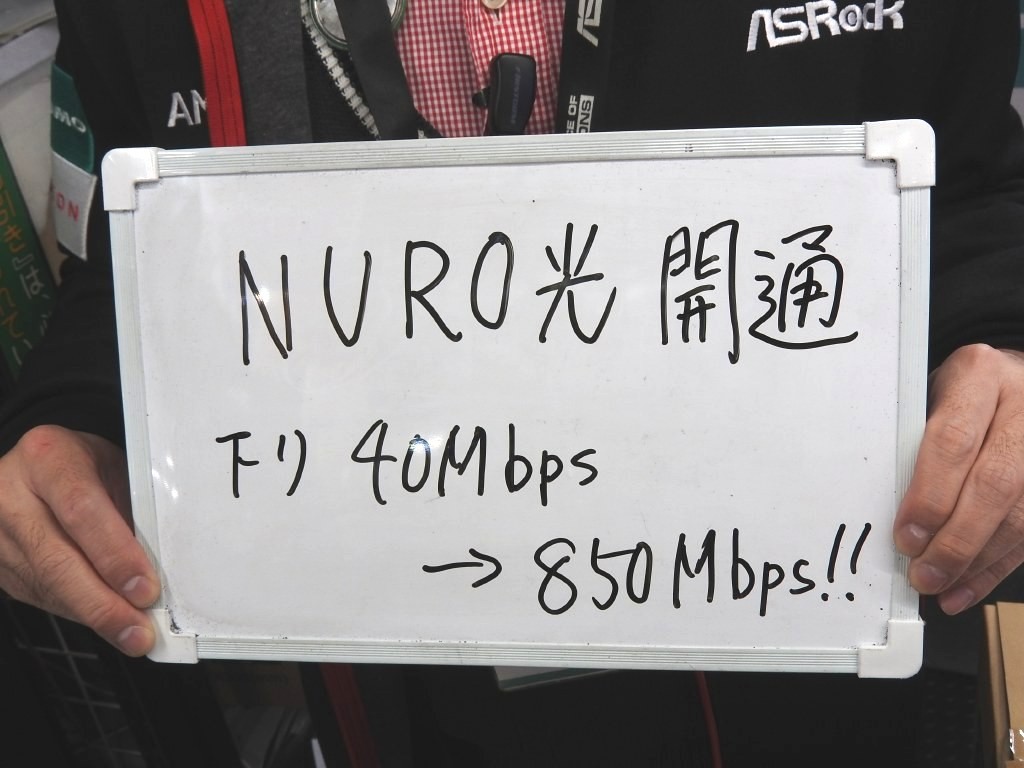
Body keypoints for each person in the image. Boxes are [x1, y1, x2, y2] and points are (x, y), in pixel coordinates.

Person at [0, 0, 1022, 677]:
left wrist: (1004, 342)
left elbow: (977, 182)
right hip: (374, 646)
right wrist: (71, 422)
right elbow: (132, 259)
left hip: (804, 630)